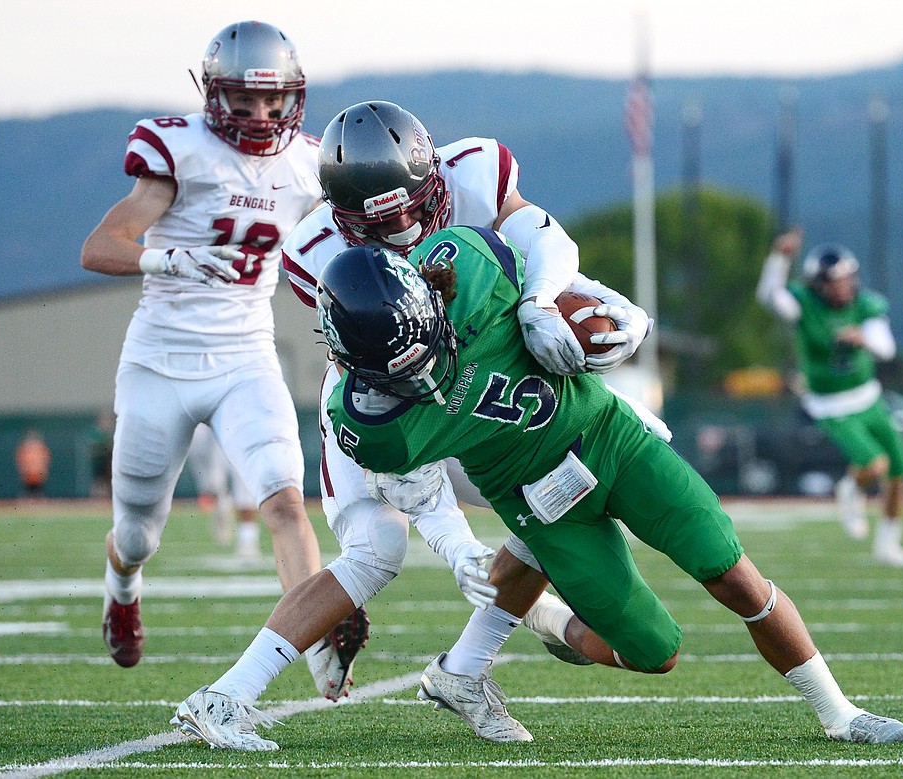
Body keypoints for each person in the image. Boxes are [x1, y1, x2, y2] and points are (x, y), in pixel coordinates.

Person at [311, 234, 903, 748]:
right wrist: (456, 546)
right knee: (656, 651)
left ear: (430, 298)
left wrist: (570, 311)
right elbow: (413, 488)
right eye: (395, 366)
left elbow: (556, 262)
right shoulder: (369, 423)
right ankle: (557, 625)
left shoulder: (470, 268)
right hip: (542, 505)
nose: (417, 369)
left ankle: (839, 713)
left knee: (730, 571)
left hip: (613, 440)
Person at [170, 101, 651, 749]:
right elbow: (398, 433)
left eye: (409, 207)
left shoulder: (474, 170)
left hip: (482, 374)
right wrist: (455, 546)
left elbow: (542, 243)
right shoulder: (315, 250)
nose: (400, 226)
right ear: (342, 216)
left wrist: (559, 304)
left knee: (567, 483)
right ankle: (223, 696)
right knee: (375, 548)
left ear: (432, 179)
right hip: (380, 389)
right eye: (379, 219)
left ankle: (469, 666)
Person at [79, 21, 368, 694]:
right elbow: (99, 246)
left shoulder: (309, 162)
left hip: (246, 357)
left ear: (294, 97)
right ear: (212, 94)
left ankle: (320, 643)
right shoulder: (180, 150)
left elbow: (339, 247)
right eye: (244, 101)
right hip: (160, 359)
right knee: (138, 532)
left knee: (286, 502)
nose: (260, 115)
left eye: (274, 101)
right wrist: (168, 256)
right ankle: (122, 583)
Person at [756, 229, 903, 567]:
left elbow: (887, 348)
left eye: (846, 279)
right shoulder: (805, 305)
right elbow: (770, 297)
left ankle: (888, 545)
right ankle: (849, 488)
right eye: (834, 282)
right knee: (875, 464)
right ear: (818, 285)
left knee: (900, 470)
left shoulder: (865, 304)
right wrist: (779, 258)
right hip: (831, 404)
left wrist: (864, 338)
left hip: (868, 397)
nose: (843, 287)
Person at [187, 423, 261, 558]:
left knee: (245, 487)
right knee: (214, 483)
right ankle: (220, 502)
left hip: (240, 429)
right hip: (213, 427)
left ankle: (248, 540)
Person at [15, 428, 52, 498]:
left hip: (38, 473)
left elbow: (46, 460)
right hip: (28, 473)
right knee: (28, 490)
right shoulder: (25, 448)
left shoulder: (41, 448)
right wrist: (23, 470)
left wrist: (44, 469)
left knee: (38, 491)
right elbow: (20, 460)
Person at [88, 410, 115, 499]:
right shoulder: (96, 434)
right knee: (98, 483)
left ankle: (107, 501)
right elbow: (94, 448)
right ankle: (97, 500)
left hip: (109, 464)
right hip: (99, 463)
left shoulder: (111, 434)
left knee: (109, 483)